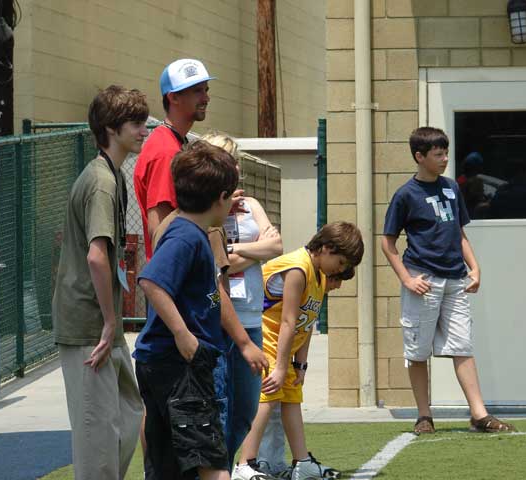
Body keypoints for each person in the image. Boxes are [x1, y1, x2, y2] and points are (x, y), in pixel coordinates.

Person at [381, 126, 516, 435]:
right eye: (438, 154)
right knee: (417, 352)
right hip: (423, 282)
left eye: (446, 153)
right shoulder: (405, 195)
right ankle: (424, 416)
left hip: (455, 280)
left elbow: (459, 233)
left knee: (462, 346)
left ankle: (479, 414)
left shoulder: (452, 188)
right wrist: (407, 279)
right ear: (420, 157)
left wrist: (475, 268)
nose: (444, 159)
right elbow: (387, 243)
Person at [52, 85, 149, 480]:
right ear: (111, 128)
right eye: (136, 123)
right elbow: (97, 256)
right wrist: (110, 322)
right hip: (88, 325)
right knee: (98, 438)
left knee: (129, 412)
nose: (143, 130)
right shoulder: (102, 182)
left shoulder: (113, 175)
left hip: (103, 323)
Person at [134, 140, 240, 480]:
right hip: (180, 368)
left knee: (170, 469)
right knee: (212, 464)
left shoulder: (193, 232)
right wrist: (183, 335)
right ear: (221, 197)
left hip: (164, 363)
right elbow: (151, 281)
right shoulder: (186, 236)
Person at [232, 222, 364, 480]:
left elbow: (307, 322)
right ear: (326, 248)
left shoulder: (319, 275)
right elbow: (287, 321)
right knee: (268, 395)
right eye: (340, 262)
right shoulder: (298, 268)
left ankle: (302, 462)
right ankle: (244, 464)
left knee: (292, 396)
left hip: (283, 345)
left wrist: (299, 365)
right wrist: (281, 367)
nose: (341, 270)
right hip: (266, 339)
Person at [200, 132, 284, 467]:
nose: (233, 166)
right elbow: (215, 262)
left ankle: (223, 466)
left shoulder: (251, 205)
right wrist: (253, 252)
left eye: (234, 160)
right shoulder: (206, 211)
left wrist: (234, 250)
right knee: (220, 406)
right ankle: (217, 471)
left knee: (246, 410)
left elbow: (275, 246)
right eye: (226, 159)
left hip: (250, 317)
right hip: (220, 318)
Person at [134, 58, 214, 260]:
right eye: (197, 91)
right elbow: (160, 229)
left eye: (206, 89)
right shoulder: (166, 151)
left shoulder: (174, 143)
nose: (206, 98)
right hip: (175, 272)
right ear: (174, 97)